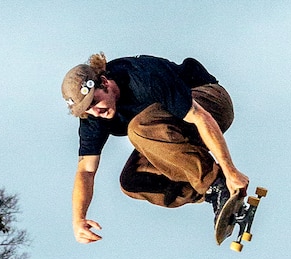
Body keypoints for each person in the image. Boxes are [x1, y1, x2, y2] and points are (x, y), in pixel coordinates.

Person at [61, 52, 250, 244]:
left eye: (95, 101)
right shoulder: (93, 117)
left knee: (139, 129)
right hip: (173, 129)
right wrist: (78, 219)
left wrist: (230, 170)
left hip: (209, 102)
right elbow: (86, 171)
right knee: (132, 181)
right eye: (88, 109)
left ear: (104, 82)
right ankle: (216, 194)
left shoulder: (143, 77)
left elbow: (201, 117)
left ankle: (216, 183)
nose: (96, 112)